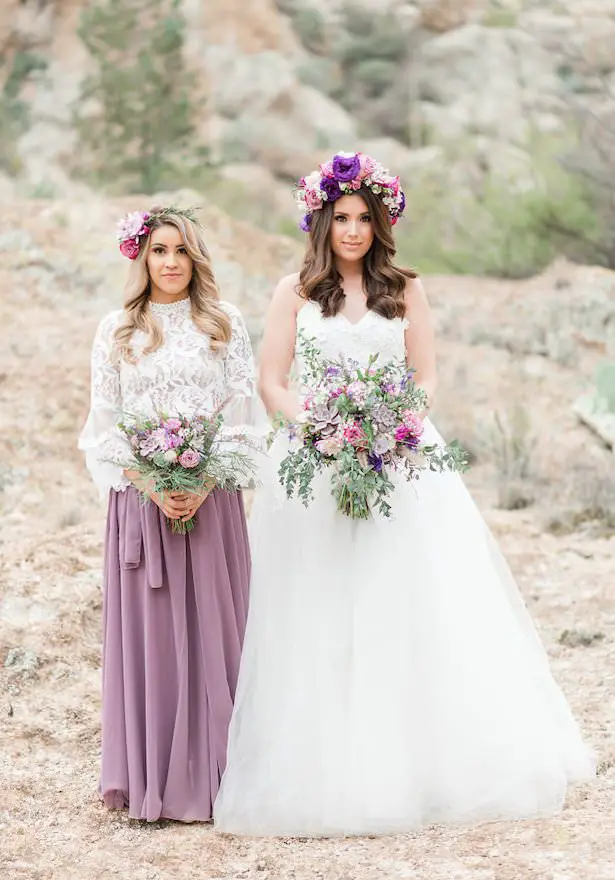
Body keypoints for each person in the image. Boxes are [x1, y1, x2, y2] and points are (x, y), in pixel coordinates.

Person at [214, 152, 594, 837]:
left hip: (401, 463)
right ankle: (332, 765)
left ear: (381, 222)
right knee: (320, 606)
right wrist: (322, 427)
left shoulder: (406, 289)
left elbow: (424, 376)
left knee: (409, 599)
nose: (353, 230)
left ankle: (424, 761)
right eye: (342, 218)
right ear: (321, 221)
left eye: (365, 218)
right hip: (315, 462)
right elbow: (273, 382)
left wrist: (392, 426)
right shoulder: (292, 293)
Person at [79, 205, 266, 822]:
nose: (170, 263)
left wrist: (204, 480)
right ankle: (153, 777)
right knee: (153, 641)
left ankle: (220, 776)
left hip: (212, 503)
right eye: (159, 251)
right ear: (141, 257)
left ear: (196, 257)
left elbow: (242, 415)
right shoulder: (118, 329)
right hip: (141, 505)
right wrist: (154, 484)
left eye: (181, 251)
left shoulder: (224, 323)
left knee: (215, 632)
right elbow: (103, 427)